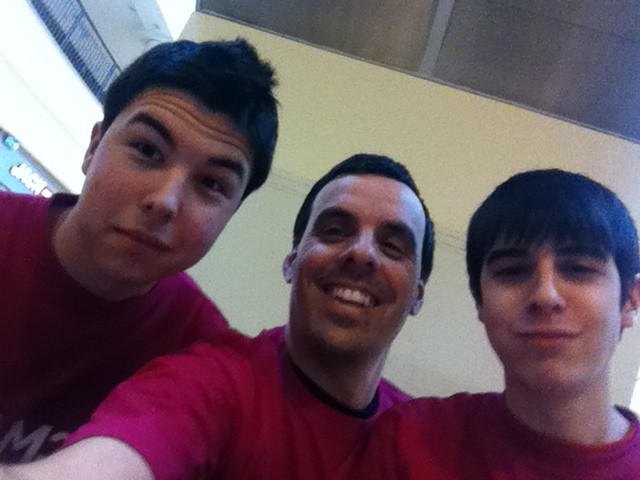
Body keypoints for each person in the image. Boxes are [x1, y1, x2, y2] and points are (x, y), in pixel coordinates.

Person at [1, 153, 435, 479]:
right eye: (334, 231)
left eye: (393, 245)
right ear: (291, 262)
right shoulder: (213, 380)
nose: (361, 253)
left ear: (416, 294)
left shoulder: (422, 438)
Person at [0, 38, 278, 462]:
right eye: (147, 150)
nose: (165, 201)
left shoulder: (200, 351)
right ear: (93, 148)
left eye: (211, 184)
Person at [356, 168, 640, 479]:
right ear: (480, 301)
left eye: (578, 269)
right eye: (512, 271)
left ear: (630, 299)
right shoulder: (409, 439)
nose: (545, 295)